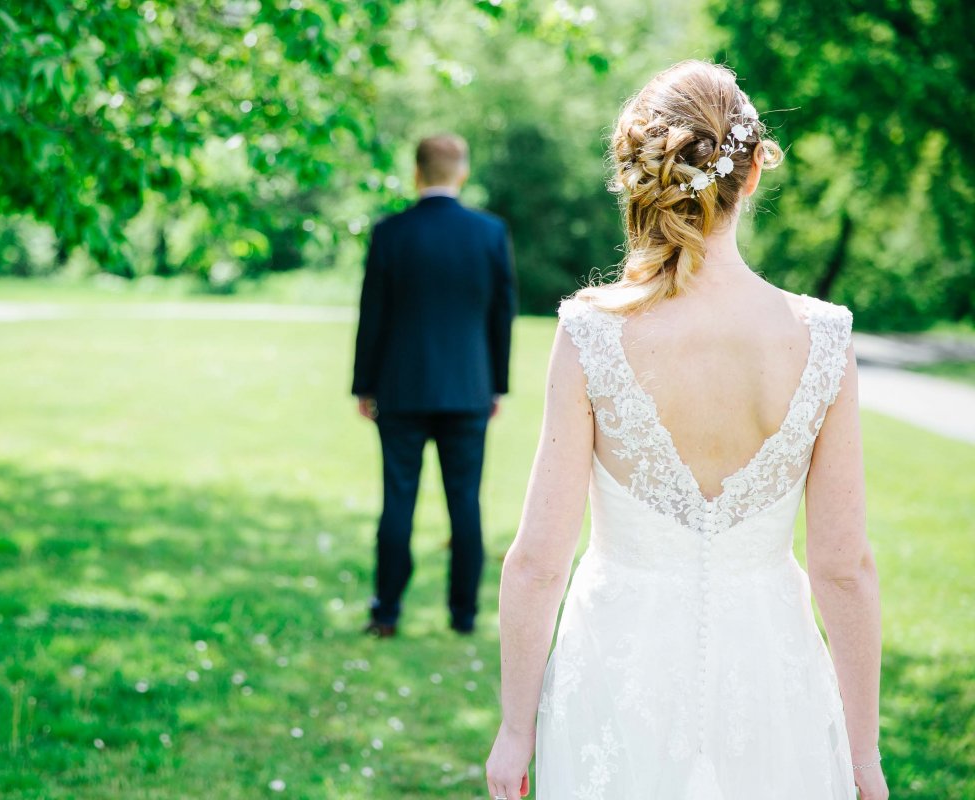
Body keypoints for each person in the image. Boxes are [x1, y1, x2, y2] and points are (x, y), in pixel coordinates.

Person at [484, 61, 887, 800]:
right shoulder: (823, 340)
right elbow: (843, 566)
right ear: (754, 172)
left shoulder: (591, 334)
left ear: (643, 174)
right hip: (772, 677)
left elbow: (539, 559)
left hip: (615, 669)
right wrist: (863, 751)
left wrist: (516, 730)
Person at [352, 133, 517, 638]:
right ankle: (463, 615)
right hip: (468, 389)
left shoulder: (390, 232)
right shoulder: (489, 234)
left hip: (400, 389)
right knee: (464, 501)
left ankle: (386, 612)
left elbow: (372, 314)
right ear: (461, 172)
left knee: (397, 500)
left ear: (417, 173)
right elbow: (501, 315)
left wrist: (364, 385)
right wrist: (496, 386)